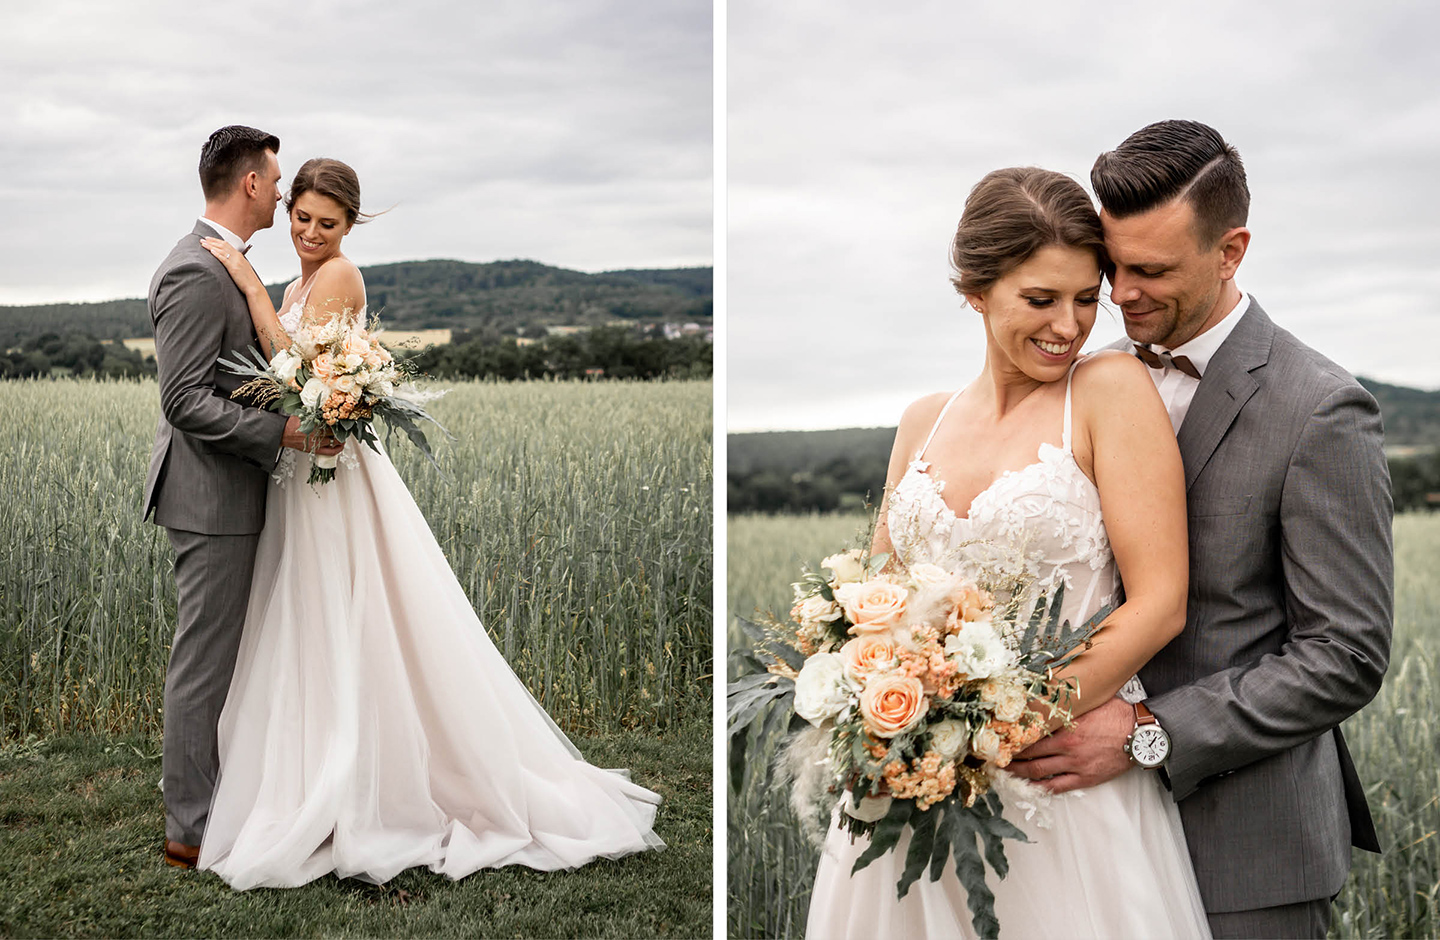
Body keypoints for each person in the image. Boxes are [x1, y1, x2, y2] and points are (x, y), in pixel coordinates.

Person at [188, 156, 664, 889]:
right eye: (302, 217)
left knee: (348, 613)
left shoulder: (339, 276)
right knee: (309, 619)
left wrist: (248, 287)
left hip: (330, 480)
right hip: (300, 471)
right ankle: (315, 769)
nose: (309, 232)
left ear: (352, 225)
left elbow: (298, 372)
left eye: (328, 223)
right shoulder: (297, 282)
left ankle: (366, 780)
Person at [1007, 119, 1392, 939]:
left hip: (1246, 850)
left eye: (1152, 270)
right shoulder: (1085, 381)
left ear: (1232, 250)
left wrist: (1152, 735)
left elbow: (1347, 653)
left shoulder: (1320, 408)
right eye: (1113, 267)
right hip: (1080, 841)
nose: (1121, 294)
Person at [805, 167, 1211, 938]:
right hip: (914, 776)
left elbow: (1161, 603)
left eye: (1087, 298)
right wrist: (893, 719)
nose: (1071, 325)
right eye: (1040, 299)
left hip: (1058, 783)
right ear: (976, 292)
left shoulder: (1109, 391)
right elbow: (876, 596)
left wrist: (1004, 726)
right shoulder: (923, 419)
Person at [144, 125, 344, 870]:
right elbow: (185, 401)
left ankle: (226, 803)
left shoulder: (223, 266)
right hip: (210, 497)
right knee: (204, 664)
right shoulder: (198, 271)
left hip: (232, 491)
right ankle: (189, 830)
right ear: (252, 184)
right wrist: (285, 436)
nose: (287, 196)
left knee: (226, 659)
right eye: (278, 179)